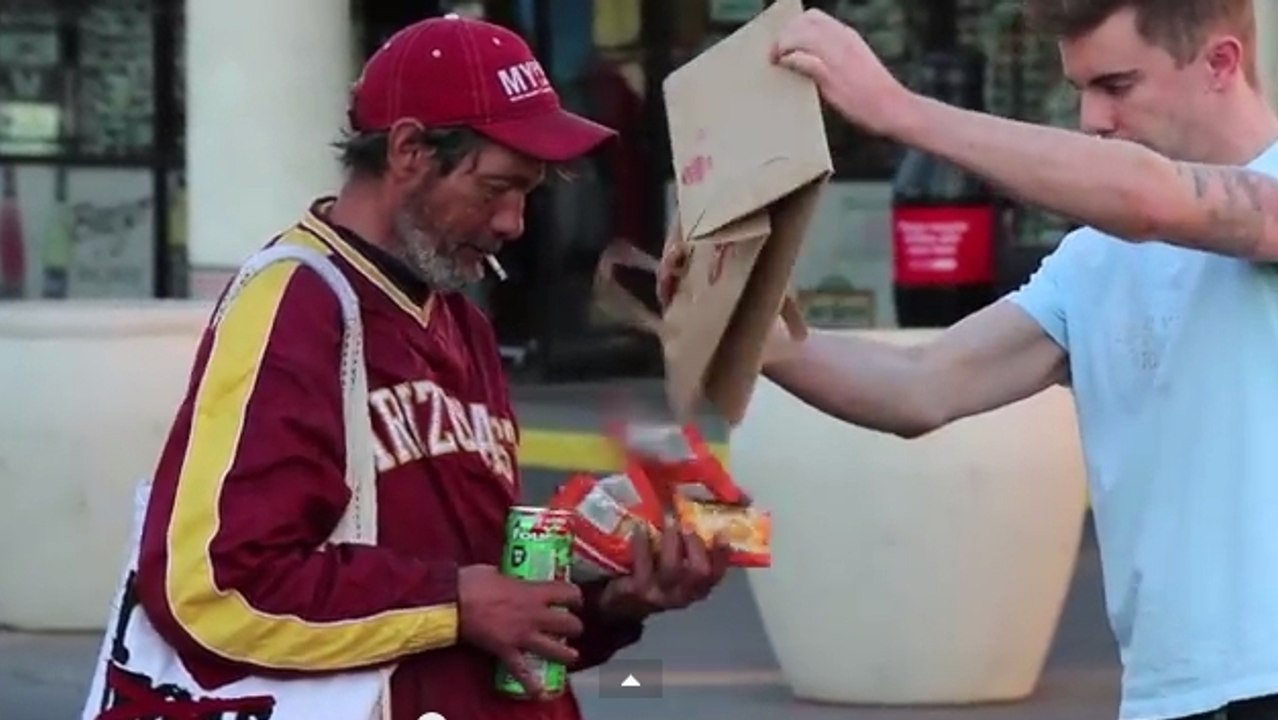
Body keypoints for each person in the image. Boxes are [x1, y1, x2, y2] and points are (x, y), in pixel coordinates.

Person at [90, 15, 732, 720]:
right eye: (495, 188)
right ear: (408, 151)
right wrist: (452, 603)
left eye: (530, 192)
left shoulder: (464, 323)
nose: (514, 222)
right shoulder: (297, 304)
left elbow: (489, 590)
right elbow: (210, 586)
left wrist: (610, 599)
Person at [661, 2, 1278, 719]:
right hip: (1167, 693)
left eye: (1117, 84)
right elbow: (920, 389)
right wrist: (733, 324)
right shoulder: (1095, 260)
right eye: (1079, 88)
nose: (1092, 118)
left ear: (1221, 64)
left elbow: (1151, 199)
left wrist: (900, 111)